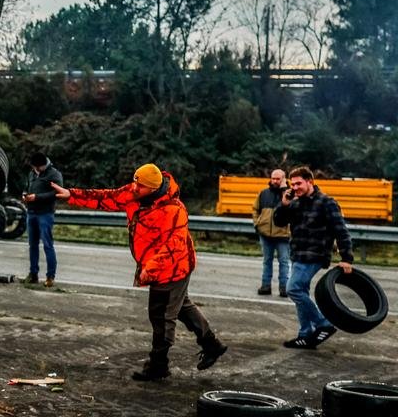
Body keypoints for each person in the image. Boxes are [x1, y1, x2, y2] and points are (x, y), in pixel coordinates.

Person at [50, 163, 227, 381]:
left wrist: (149, 269)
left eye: (139, 186)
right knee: (181, 307)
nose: (134, 188)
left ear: (153, 189)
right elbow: (108, 197)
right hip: (159, 266)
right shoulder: (135, 192)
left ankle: (158, 366)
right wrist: (72, 195)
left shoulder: (174, 210)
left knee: (161, 316)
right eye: (134, 182)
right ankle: (212, 345)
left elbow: (173, 246)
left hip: (172, 267)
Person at [272, 166, 353, 349]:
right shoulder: (295, 202)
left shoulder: (327, 203)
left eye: (299, 183)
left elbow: (341, 231)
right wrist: (283, 204)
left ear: (310, 182)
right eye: (293, 184)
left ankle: (323, 324)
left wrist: (347, 257)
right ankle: (305, 335)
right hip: (298, 255)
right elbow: (279, 222)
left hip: (315, 255)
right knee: (301, 291)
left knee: (293, 289)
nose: (295, 187)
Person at [22, 152, 63, 287]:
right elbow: (27, 187)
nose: (37, 170)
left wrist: (37, 197)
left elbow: (57, 193)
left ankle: (50, 276)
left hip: (45, 214)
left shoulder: (54, 174)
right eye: (35, 168)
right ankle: (33, 274)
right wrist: (25, 195)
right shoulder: (32, 173)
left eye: (39, 168)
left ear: (44, 164)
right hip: (31, 212)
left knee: (47, 245)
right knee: (32, 245)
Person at [252, 169, 292, 297]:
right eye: (273, 178)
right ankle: (265, 286)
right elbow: (255, 209)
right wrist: (257, 224)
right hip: (265, 234)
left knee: (284, 262)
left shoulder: (290, 194)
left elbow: (293, 209)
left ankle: (284, 288)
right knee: (267, 261)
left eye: (278, 179)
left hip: (283, 235)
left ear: (283, 179)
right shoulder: (263, 193)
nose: (274, 181)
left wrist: (284, 189)